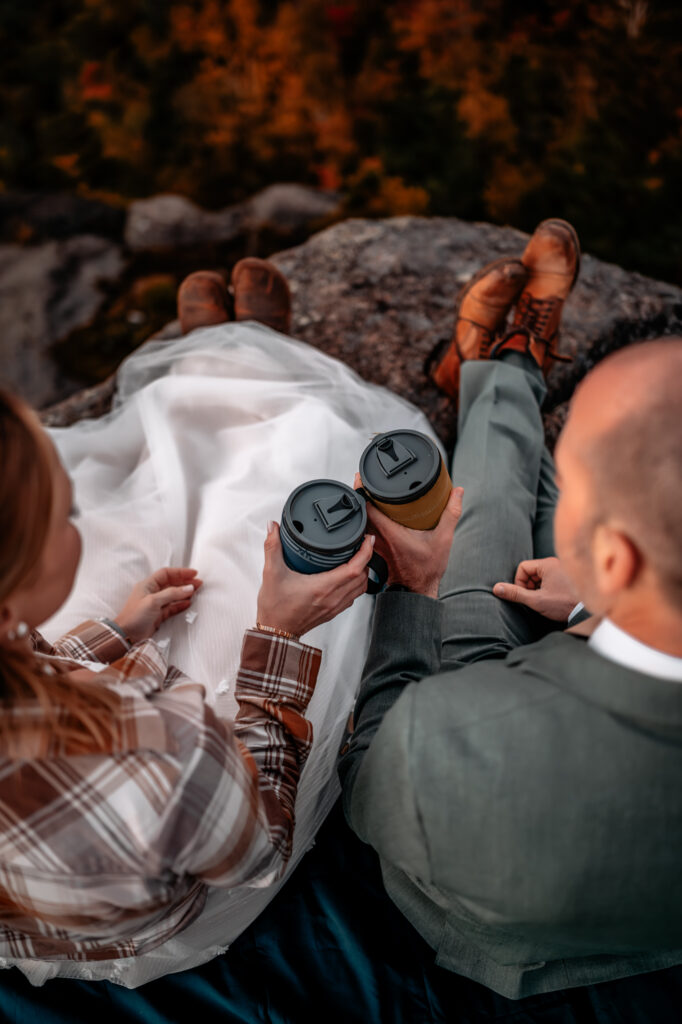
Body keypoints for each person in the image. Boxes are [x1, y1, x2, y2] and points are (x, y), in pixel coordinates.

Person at [0, 257, 447, 988]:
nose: (63, 507)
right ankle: (244, 378)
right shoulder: (158, 764)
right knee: (280, 504)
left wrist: (117, 633)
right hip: (187, 878)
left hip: (70, 887)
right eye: (53, 513)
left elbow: (31, 666)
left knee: (134, 536)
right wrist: (279, 638)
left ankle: (218, 379)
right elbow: (258, 847)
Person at [339, 218, 682, 1000]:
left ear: (616, 564)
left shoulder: (449, 738)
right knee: (612, 495)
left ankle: (504, 370)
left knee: (484, 520)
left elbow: (369, 778)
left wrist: (409, 589)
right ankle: (499, 375)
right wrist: (593, 608)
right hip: (651, 940)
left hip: (481, 910)